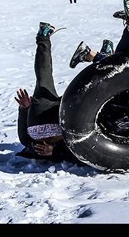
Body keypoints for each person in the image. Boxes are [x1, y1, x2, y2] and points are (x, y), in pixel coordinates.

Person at [14, 22, 82, 164]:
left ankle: (102, 59)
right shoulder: (29, 144)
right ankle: (43, 37)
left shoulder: (35, 146)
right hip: (40, 120)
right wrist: (25, 109)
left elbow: (79, 151)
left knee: (87, 91)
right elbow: (23, 135)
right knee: (43, 76)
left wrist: (24, 108)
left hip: (57, 123)